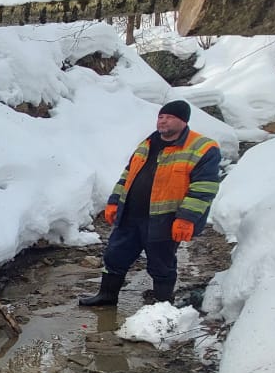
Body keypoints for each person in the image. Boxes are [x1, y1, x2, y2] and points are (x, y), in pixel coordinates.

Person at [79, 100, 221, 307]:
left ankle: (161, 305)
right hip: (130, 215)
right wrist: (114, 202)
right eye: (161, 117)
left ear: (183, 121)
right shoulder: (147, 144)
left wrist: (186, 218)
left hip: (165, 218)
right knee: (115, 256)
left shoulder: (202, 148)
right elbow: (127, 176)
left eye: (170, 117)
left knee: (161, 263)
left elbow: (204, 188)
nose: (163, 121)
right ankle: (107, 295)